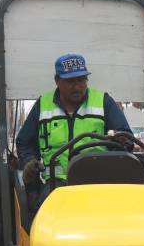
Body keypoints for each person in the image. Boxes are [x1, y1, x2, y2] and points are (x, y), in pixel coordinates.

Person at [15, 54, 133, 185]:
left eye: (81, 80)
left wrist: (121, 142)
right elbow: (25, 142)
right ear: (57, 80)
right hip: (56, 184)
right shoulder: (42, 105)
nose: (77, 87)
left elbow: (125, 138)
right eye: (70, 81)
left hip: (98, 183)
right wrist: (29, 161)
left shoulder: (103, 102)